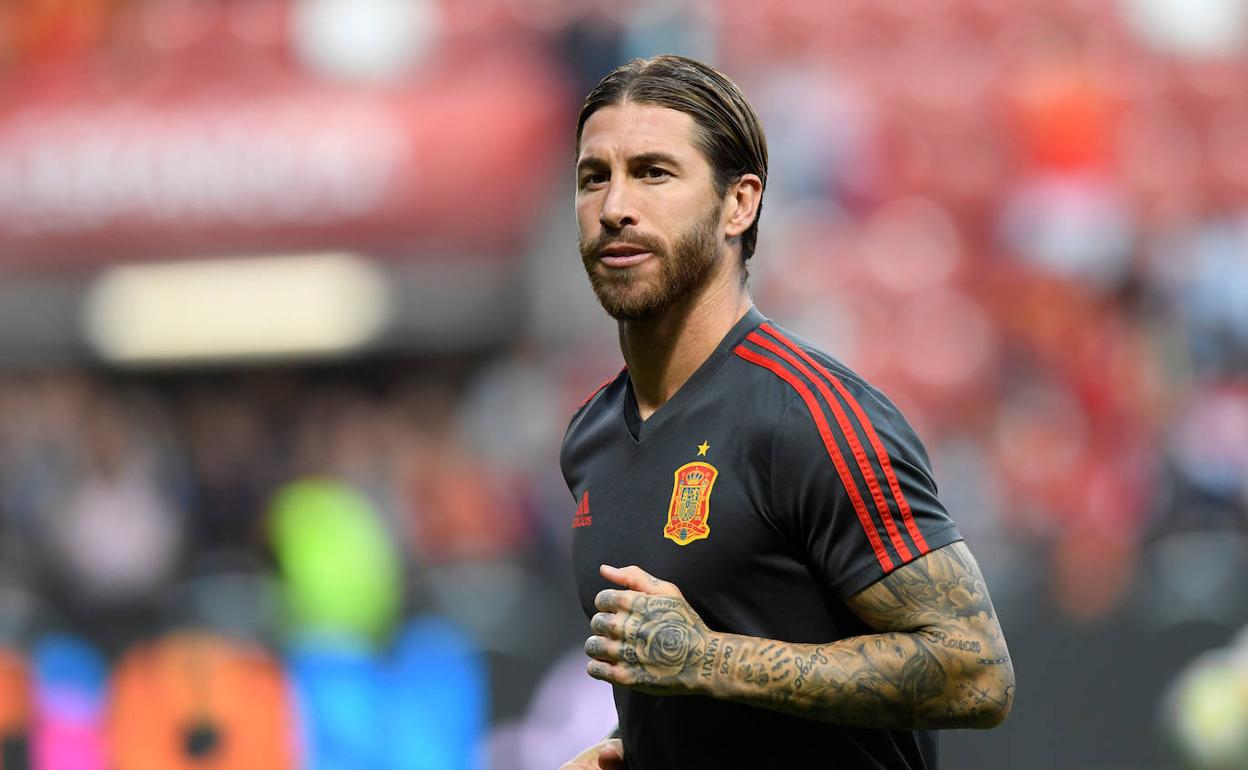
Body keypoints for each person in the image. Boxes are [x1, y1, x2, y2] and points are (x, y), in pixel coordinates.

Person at [558, 55, 1014, 770]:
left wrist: (707, 659)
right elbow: (692, 684)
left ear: (739, 205)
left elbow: (976, 672)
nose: (615, 206)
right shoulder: (592, 433)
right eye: (594, 177)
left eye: (653, 173)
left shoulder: (811, 417)